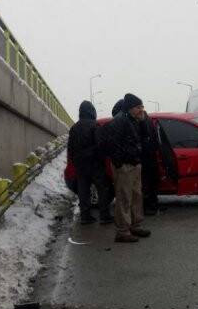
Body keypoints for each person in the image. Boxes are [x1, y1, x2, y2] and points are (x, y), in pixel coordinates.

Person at [101, 93, 151, 243]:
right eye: (138, 107)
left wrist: (143, 122)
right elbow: (111, 144)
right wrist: (120, 163)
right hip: (125, 166)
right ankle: (122, 231)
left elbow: (144, 137)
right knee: (124, 198)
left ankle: (135, 225)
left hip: (135, 164)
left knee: (136, 196)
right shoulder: (119, 121)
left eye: (142, 106)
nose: (141, 109)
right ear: (130, 108)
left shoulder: (136, 120)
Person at [67, 101, 113, 225]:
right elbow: (100, 145)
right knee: (102, 189)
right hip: (95, 163)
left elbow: (70, 148)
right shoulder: (95, 126)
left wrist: (75, 160)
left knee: (84, 191)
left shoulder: (74, 128)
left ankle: (85, 217)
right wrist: (101, 159)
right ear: (92, 111)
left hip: (80, 165)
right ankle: (104, 216)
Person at [138, 110, 163, 215]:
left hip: (147, 158)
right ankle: (149, 206)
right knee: (148, 185)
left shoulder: (144, 122)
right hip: (147, 159)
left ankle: (151, 205)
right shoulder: (146, 122)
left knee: (149, 184)